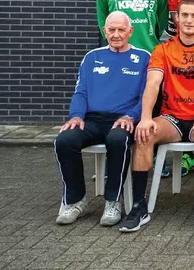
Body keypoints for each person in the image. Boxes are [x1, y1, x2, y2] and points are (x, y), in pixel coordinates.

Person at [118, 0, 194, 233]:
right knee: (145, 134)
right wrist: (145, 118)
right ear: (177, 18)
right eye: (184, 15)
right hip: (173, 118)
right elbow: (153, 84)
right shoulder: (163, 50)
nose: (188, 20)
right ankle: (138, 206)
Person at [54, 12, 150, 227]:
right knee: (64, 140)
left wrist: (132, 116)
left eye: (121, 30)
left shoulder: (144, 57)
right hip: (92, 119)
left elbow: (148, 96)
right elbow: (81, 92)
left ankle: (113, 201)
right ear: (104, 31)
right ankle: (75, 200)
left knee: (118, 140)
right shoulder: (92, 57)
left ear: (130, 31)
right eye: (111, 30)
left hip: (124, 119)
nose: (116, 34)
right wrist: (76, 116)